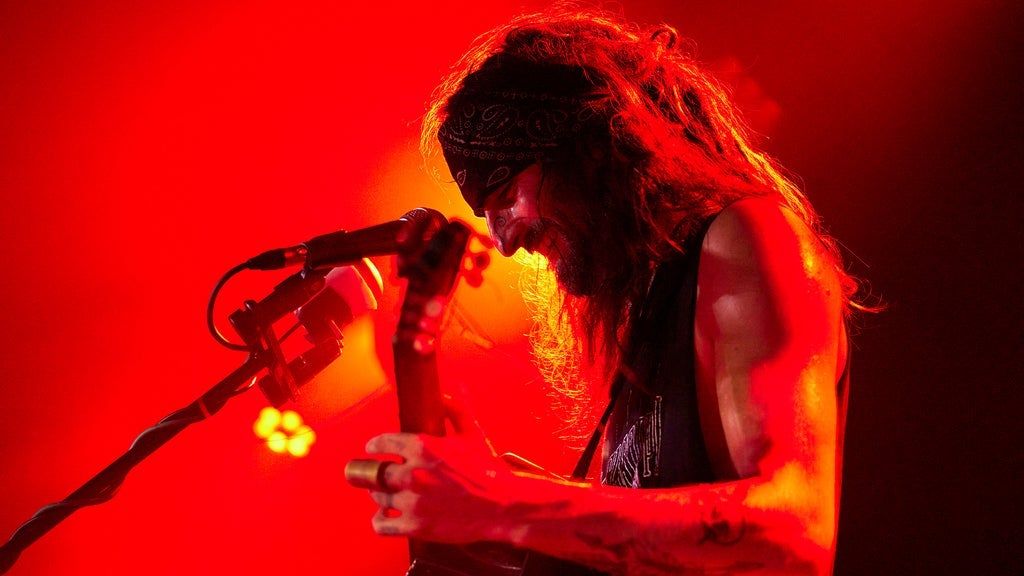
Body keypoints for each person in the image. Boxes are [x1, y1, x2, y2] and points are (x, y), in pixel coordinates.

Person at [350, 8, 858, 575]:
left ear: (588, 154)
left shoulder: (746, 237)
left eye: (506, 195)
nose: (504, 242)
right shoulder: (645, 311)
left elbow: (792, 534)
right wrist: (499, 506)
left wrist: (505, 502)